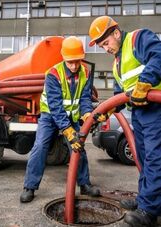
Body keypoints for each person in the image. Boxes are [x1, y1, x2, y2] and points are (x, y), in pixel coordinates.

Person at [88, 16, 161, 226]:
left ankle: (148, 210)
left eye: (106, 43)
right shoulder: (117, 64)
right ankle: (146, 199)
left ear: (116, 33)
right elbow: (119, 95)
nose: (106, 48)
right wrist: (107, 110)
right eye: (102, 46)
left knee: (156, 158)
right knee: (144, 158)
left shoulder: (138, 39)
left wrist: (145, 82)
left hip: (159, 107)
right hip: (140, 113)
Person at [20, 36, 101, 203]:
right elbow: (56, 106)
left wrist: (87, 115)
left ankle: (84, 184)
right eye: (70, 62)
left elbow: (85, 98)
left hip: (72, 116)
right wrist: (68, 130)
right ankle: (30, 187)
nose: (73, 66)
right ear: (64, 58)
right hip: (50, 116)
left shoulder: (85, 72)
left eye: (77, 61)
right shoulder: (53, 74)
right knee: (40, 145)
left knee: (78, 147)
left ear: (81, 58)